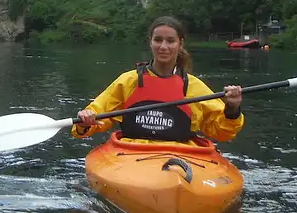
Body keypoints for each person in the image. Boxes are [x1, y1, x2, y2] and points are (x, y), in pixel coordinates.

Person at [74, 16, 244, 146]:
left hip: (181, 156)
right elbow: (91, 122)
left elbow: (223, 132)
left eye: (170, 41)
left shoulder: (193, 87)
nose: (163, 46)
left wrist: (232, 109)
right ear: (150, 42)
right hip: (131, 154)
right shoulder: (128, 81)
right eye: (158, 40)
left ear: (180, 44)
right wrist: (85, 121)